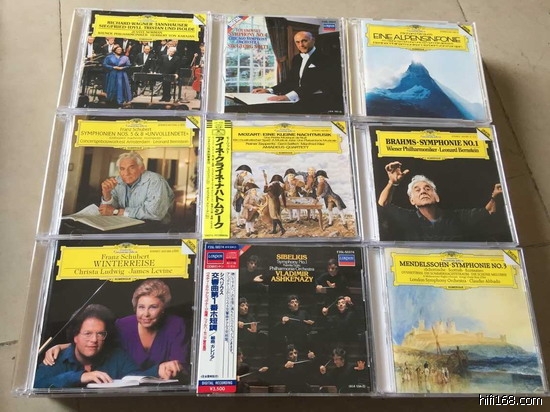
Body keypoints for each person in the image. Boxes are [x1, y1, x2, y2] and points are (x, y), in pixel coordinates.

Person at [43, 280, 188, 382]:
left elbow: (181, 365)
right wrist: (62, 346)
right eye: (141, 307)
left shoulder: (175, 325)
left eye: (153, 307)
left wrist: (169, 368)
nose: (146, 314)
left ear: (163, 309)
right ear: (135, 308)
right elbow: (98, 340)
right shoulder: (123, 325)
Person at [35, 304, 158, 388]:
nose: (94, 340)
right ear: (75, 336)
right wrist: (79, 377)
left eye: (100, 334)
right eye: (87, 333)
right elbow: (36, 384)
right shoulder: (55, 358)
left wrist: (158, 370)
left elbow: (137, 378)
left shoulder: (117, 356)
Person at [377, 161, 505, 241]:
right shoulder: (408, 218)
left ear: (437, 197)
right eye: (417, 190)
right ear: (412, 200)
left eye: (427, 188)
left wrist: (495, 196)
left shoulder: (456, 218)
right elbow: (383, 204)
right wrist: (392, 183)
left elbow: (488, 211)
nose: (423, 191)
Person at [252, 31, 342, 114]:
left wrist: (288, 97)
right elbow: (291, 81)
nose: (301, 45)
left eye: (304, 41)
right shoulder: (296, 58)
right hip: (300, 98)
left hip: (320, 101)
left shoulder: (326, 59)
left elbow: (314, 84)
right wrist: (269, 90)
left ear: (313, 40)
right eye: (297, 42)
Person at [99, 152, 174, 225]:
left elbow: (155, 213)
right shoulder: (118, 180)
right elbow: (108, 209)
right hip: (124, 223)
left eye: (131, 168)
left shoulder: (155, 181)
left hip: (153, 226)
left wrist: (117, 212)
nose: (126, 173)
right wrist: (107, 195)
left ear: (141, 168)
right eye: (122, 169)